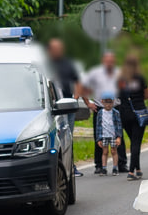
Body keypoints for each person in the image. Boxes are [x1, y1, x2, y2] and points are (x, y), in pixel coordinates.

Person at [83, 51, 127, 175]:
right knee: (99, 137)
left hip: (116, 108)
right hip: (100, 108)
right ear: (103, 61)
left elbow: (125, 88)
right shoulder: (95, 73)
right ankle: (99, 165)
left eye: (111, 61)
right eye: (107, 61)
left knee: (118, 136)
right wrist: (88, 103)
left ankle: (121, 164)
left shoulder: (119, 73)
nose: (109, 63)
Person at [47, 38, 84, 177]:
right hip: (53, 109)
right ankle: (56, 168)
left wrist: (75, 98)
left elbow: (78, 81)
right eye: (55, 49)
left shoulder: (68, 64)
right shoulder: (45, 65)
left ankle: (71, 166)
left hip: (67, 107)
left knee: (68, 137)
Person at [118, 52, 148, 181]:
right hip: (138, 113)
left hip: (124, 113)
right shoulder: (141, 78)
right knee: (136, 142)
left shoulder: (120, 79)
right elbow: (146, 95)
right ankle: (131, 171)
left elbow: (118, 95)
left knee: (133, 141)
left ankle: (138, 168)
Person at [95, 91, 123, 175]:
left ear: (113, 102)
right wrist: (98, 138)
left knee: (114, 151)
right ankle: (104, 168)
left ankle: (115, 167)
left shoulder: (115, 113)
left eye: (110, 102)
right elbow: (98, 126)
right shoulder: (100, 113)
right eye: (106, 102)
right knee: (105, 152)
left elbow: (119, 125)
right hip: (104, 135)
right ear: (102, 102)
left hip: (113, 135)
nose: (108, 104)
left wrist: (119, 137)